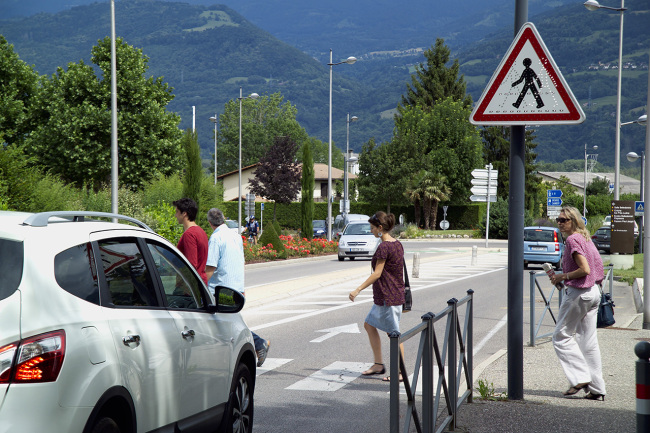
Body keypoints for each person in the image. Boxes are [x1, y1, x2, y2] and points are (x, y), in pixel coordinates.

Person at [549, 206, 606, 401]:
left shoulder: (573, 239)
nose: (559, 222)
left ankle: (580, 378)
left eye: (564, 220)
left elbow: (585, 269)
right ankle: (597, 388)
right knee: (588, 342)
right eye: (558, 219)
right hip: (594, 292)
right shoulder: (585, 238)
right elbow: (598, 267)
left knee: (560, 336)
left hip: (580, 292)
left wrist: (562, 276)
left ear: (574, 221)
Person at [205, 208, 270, 367]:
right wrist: (241, 286)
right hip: (236, 288)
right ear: (223, 219)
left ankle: (258, 343)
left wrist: (199, 285)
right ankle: (256, 344)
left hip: (220, 289)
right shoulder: (236, 236)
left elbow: (210, 268)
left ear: (209, 222)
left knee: (212, 322)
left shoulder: (216, 238)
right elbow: (240, 261)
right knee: (227, 322)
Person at [348, 211, 405, 382]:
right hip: (390, 295)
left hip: (388, 297)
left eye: (372, 228)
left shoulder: (384, 247)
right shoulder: (397, 244)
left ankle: (400, 372)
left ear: (380, 228)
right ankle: (379, 364)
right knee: (369, 325)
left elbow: (377, 274)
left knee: (394, 334)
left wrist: (357, 290)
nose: (371, 231)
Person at [173, 198, 208, 285]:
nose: (175, 215)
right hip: (201, 283)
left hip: (190, 289)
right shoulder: (201, 231)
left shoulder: (189, 234)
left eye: (177, 212)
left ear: (184, 213)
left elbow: (191, 264)